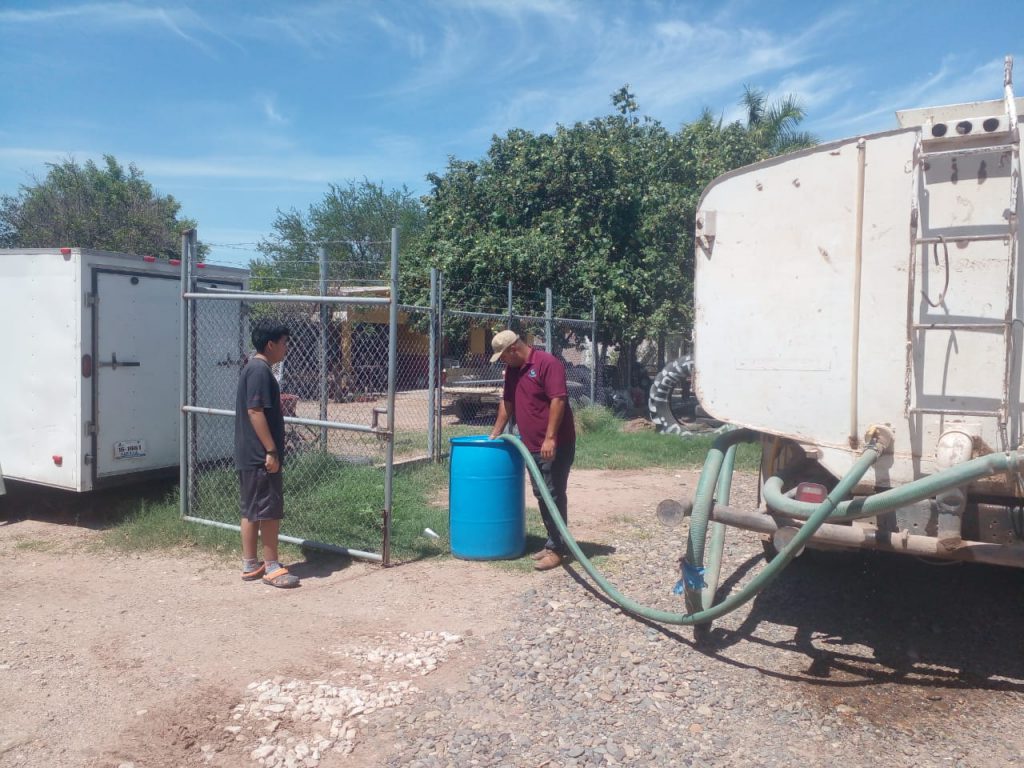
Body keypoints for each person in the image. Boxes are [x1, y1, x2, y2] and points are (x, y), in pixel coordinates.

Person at [488, 330, 576, 571]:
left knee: (553, 493)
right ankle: (552, 543)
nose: (502, 361)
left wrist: (550, 438)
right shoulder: (514, 371)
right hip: (530, 445)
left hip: (553, 445)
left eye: (503, 356)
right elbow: (507, 403)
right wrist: (494, 434)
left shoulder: (547, 363)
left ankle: (558, 550)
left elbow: (558, 400)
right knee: (542, 493)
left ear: (513, 349)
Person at [234, 321, 300, 588]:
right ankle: (272, 566)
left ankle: (251, 564)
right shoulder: (261, 370)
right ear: (270, 344)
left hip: (249, 453)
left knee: (251, 509)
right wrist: (271, 450)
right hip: (261, 456)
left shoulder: (253, 367)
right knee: (268, 509)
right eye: (284, 342)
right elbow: (255, 411)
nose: (286, 347)